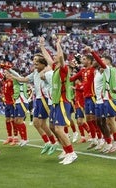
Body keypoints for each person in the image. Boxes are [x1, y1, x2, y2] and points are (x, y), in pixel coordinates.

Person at [8, 53, 58, 154]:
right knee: (36, 123)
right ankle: (48, 142)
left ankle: (55, 142)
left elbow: (52, 67)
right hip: (38, 99)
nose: (34, 62)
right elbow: (24, 79)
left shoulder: (47, 70)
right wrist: (13, 76)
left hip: (45, 99)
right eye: (34, 60)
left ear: (42, 62)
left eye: (36, 60)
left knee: (49, 124)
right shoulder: (35, 72)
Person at [40, 36, 77, 165]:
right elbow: (48, 58)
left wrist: (58, 44)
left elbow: (60, 58)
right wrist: (42, 47)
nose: (54, 57)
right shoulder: (55, 68)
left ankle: (71, 153)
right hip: (56, 102)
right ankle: (67, 152)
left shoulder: (63, 69)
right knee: (55, 128)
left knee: (59, 129)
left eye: (56, 56)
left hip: (62, 101)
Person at [86, 46, 116, 153]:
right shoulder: (98, 72)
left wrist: (92, 51)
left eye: (102, 60)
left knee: (110, 121)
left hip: (107, 99)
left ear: (108, 62)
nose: (100, 61)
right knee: (99, 121)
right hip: (99, 100)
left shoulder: (108, 69)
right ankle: (108, 141)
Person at [8, 68, 29, 147]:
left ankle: (25, 139)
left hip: (22, 102)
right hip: (17, 102)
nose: (9, 75)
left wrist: (9, 69)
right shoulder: (15, 82)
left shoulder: (20, 79)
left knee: (20, 121)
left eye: (10, 74)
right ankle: (23, 138)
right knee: (16, 121)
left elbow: (16, 75)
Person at [1, 71, 19, 146]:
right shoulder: (5, 82)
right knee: (7, 120)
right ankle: (9, 137)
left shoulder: (12, 82)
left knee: (13, 120)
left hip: (12, 103)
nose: (6, 74)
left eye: (8, 73)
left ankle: (16, 138)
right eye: (5, 73)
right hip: (7, 103)